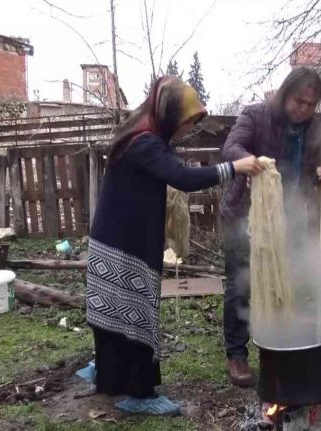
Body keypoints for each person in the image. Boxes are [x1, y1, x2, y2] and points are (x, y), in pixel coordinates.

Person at [81, 75, 263, 415]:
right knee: (134, 315)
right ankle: (139, 393)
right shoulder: (144, 143)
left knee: (114, 313)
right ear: (168, 115)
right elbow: (182, 178)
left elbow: (171, 172)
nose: (186, 131)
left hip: (115, 235)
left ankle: (109, 375)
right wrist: (234, 167)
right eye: (186, 124)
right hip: (126, 243)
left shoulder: (141, 134)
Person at [220, 67, 321, 387]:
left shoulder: (312, 130)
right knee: (241, 286)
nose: (304, 108)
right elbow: (231, 148)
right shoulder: (256, 116)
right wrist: (249, 161)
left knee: (287, 282)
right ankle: (237, 355)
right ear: (286, 95)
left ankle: (284, 345)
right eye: (299, 101)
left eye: (311, 104)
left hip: (287, 219)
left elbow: (311, 170)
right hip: (244, 214)